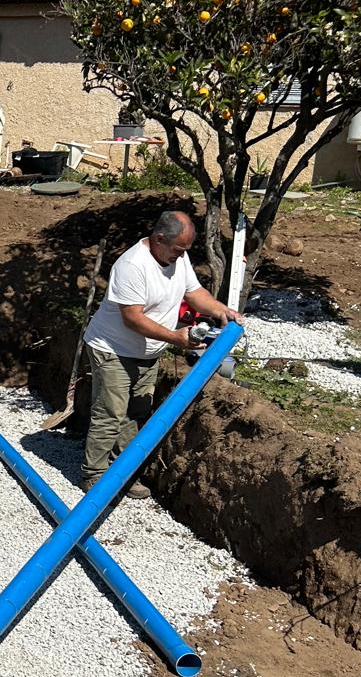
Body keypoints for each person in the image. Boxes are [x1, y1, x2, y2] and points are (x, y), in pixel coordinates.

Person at [79, 210, 243, 497]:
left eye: (185, 251)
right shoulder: (132, 265)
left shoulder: (177, 256)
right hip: (113, 349)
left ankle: (123, 472)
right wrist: (175, 337)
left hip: (147, 350)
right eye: (178, 250)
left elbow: (193, 293)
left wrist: (221, 310)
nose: (181, 257)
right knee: (111, 412)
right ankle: (95, 477)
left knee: (137, 411)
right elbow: (133, 318)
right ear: (158, 239)